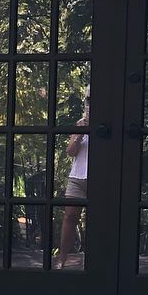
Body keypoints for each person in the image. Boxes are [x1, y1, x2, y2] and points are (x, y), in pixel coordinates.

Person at [56, 92, 89, 269]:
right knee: (70, 216)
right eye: (88, 102)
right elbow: (70, 152)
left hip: (99, 177)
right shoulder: (80, 124)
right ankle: (62, 258)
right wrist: (79, 134)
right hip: (77, 177)